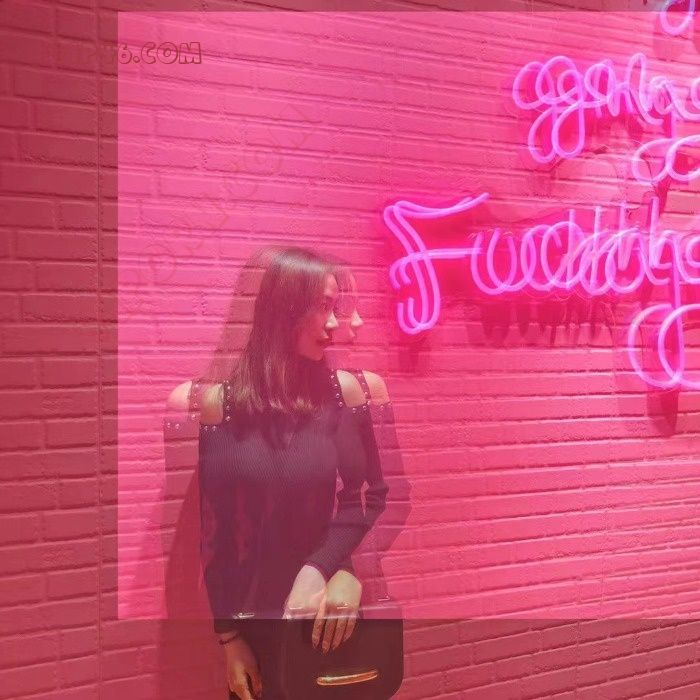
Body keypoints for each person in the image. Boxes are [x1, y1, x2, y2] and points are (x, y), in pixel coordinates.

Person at [165, 247, 402, 699]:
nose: (333, 323)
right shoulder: (222, 406)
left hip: (326, 614)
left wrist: (331, 569)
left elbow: (369, 497)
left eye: (335, 307)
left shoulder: (344, 394)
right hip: (256, 625)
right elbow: (216, 533)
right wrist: (229, 639)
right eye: (323, 307)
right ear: (284, 310)